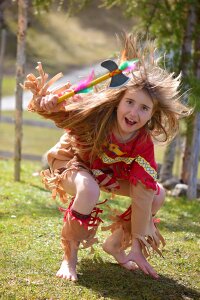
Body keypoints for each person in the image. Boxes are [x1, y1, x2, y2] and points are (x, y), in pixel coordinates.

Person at [23, 34, 191, 281]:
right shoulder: (96, 116)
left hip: (108, 175)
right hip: (73, 162)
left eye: (144, 108)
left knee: (157, 193)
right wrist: (47, 101)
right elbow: (61, 109)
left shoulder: (142, 141)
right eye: (130, 102)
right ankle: (69, 257)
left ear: (152, 115)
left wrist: (137, 245)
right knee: (89, 189)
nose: (134, 112)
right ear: (118, 101)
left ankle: (116, 245)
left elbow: (143, 191)